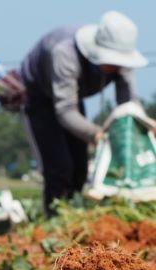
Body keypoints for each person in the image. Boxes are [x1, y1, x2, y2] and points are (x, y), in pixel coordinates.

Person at [20, 11, 148, 214]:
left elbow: (128, 104)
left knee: (80, 167)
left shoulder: (122, 64)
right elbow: (65, 110)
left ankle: (74, 213)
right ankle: (55, 219)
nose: (116, 67)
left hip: (73, 98)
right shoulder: (64, 53)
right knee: (59, 167)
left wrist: (143, 128)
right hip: (40, 96)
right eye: (112, 62)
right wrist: (97, 135)